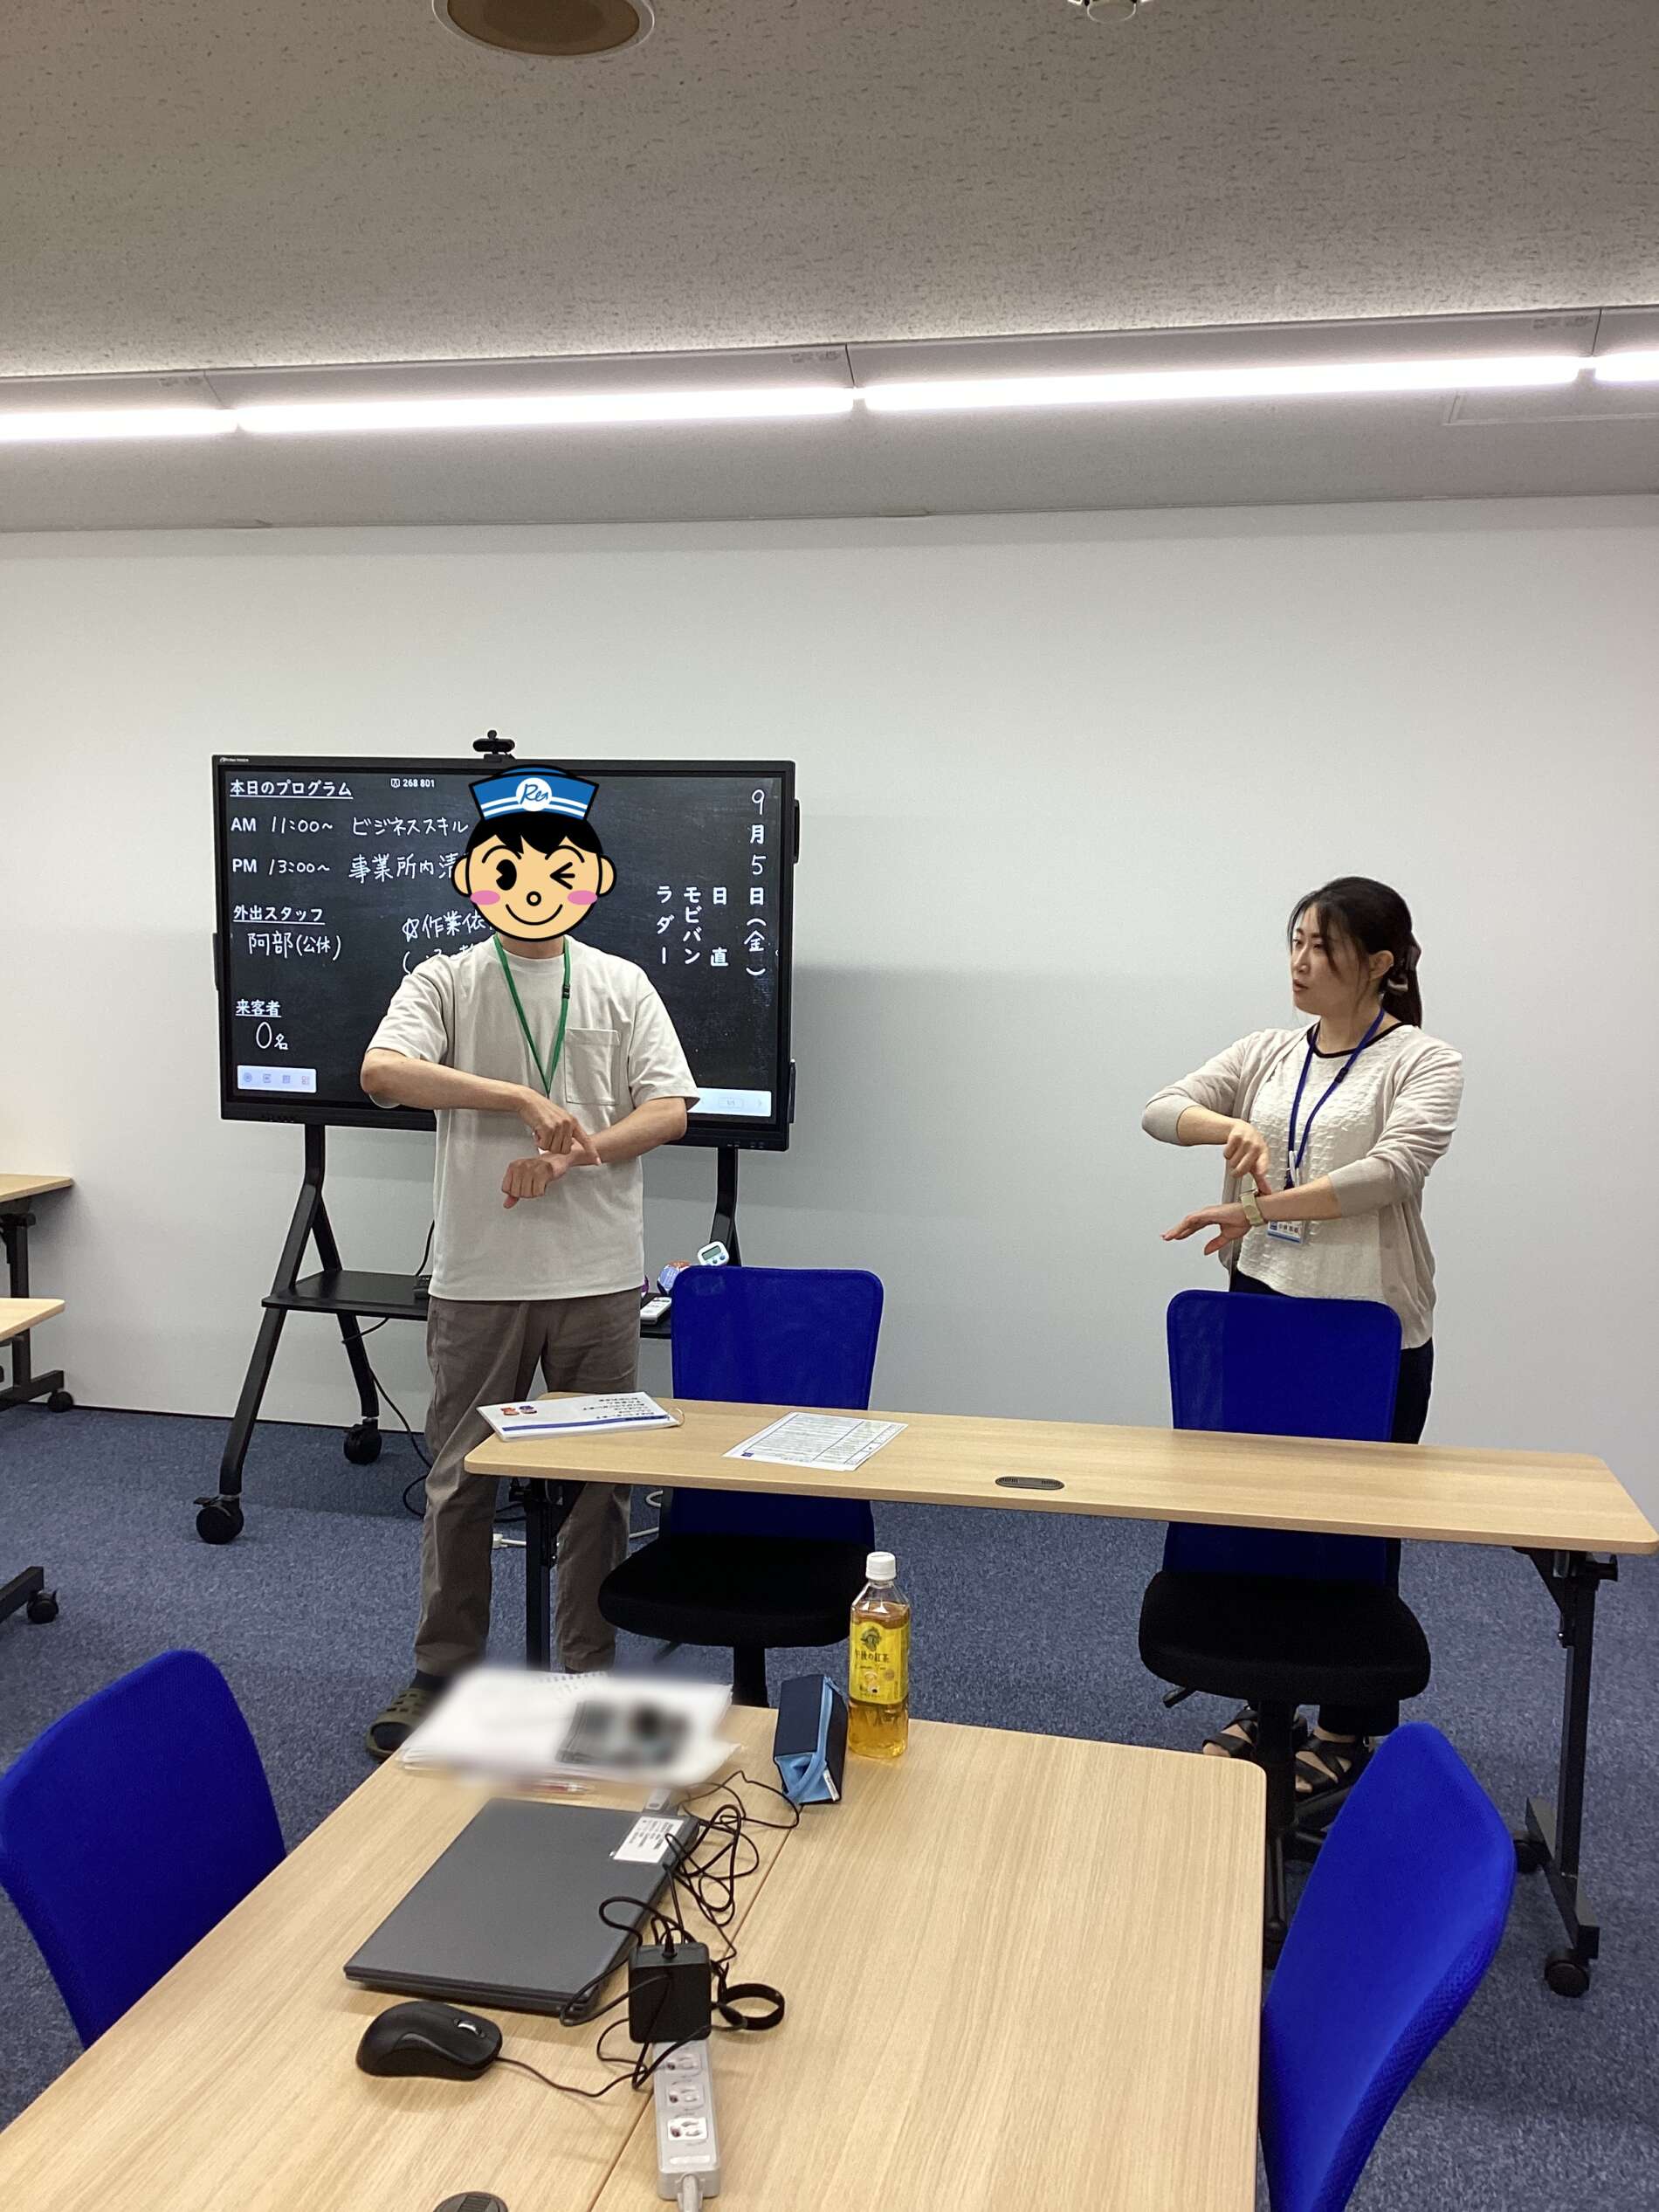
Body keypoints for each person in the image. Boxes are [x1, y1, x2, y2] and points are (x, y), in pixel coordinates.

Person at [359, 766, 698, 1760]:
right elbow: (382, 1072)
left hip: (598, 1273)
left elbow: (669, 1108)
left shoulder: (620, 981)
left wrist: (577, 1153)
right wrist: (516, 1097)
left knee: (600, 1481)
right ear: (474, 878)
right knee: (462, 1478)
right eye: (508, 868)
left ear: (592, 877)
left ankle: (587, 1670)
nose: (533, 885)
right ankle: (444, 1671)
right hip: (479, 1277)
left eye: (558, 868)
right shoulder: (446, 978)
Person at [1140, 876, 1462, 1802]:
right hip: (1265, 1307)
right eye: (1296, 941)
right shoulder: (1270, 1052)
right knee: (1259, 1517)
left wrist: (1255, 1207)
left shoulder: (1423, 1061)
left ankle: (1346, 1726)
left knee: (1353, 1531)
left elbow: (1389, 1171)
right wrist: (1230, 1123)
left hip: (1368, 1330)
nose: (1300, 960)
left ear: (1381, 963)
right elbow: (1160, 1108)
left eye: (1322, 946)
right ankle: (1268, 1702)